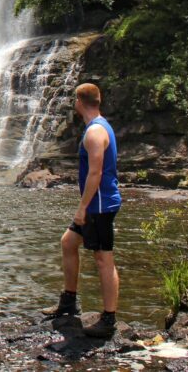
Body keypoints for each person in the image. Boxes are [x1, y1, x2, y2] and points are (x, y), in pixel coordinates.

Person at [42, 82, 121, 338]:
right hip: (96, 203)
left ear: (79, 101)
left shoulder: (95, 132)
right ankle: (69, 301)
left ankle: (109, 319)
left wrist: (82, 208)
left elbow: (96, 173)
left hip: (98, 204)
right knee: (68, 242)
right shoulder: (98, 126)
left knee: (103, 259)